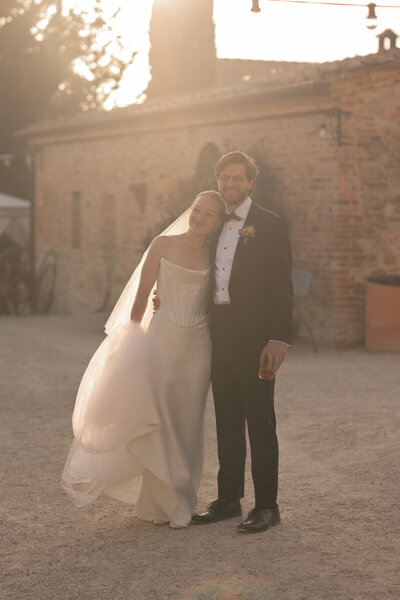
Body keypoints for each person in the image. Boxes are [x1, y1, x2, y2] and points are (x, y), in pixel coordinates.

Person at [61, 190, 227, 529]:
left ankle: (180, 497)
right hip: (162, 343)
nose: (199, 217)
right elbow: (139, 304)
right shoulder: (163, 245)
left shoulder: (216, 255)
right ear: (190, 210)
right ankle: (167, 503)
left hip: (198, 348)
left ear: (217, 223)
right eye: (197, 210)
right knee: (160, 422)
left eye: (209, 214)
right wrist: (131, 347)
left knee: (189, 425)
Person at [191, 151, 293, 533]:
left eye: (238, 179)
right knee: (227, 420)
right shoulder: (214, 222)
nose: (230, 184)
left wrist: (278, 338)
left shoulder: (269, 224)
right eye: (225, 178)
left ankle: (268, 506)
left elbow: (282, 287)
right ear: (218, 180)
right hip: (219, 335)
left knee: (260, 422)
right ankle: (229, 499)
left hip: (258, 341)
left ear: (251, 182)